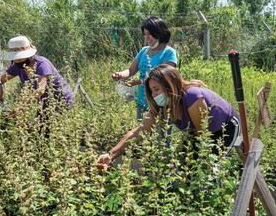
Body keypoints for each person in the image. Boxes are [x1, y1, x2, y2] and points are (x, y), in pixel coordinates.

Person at [97, 64, 241, 169]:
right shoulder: (162, 105)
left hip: (224, 128)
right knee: (185, 168)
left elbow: (203, 135)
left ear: (170, 85)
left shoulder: (192, 97)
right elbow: (139, 132)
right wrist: (111, 154)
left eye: (156, 89)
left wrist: (197, 160)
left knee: (208, 169)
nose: (154, 95)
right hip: (198, 134)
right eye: (151, 91)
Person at [112, 17, 178, 119]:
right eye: (145, 34)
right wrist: (120, 74)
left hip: (160, 100)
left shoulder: (169, 52)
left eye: (149, 34)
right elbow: (131, 70)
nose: (146, 37)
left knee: (161, 132)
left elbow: (162, 78)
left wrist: (137, 82)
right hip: (142, 100)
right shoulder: (144, 51)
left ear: (159, 33)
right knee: (142, 132)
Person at [0, 35, 74, 111]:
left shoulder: (42, 64)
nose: (17, 60)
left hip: (62, 101)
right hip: (44, 103)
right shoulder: (17, 65)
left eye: (20, 58)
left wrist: (21, 108)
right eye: (15, 58)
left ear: (30, 56)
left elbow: (40, 90)